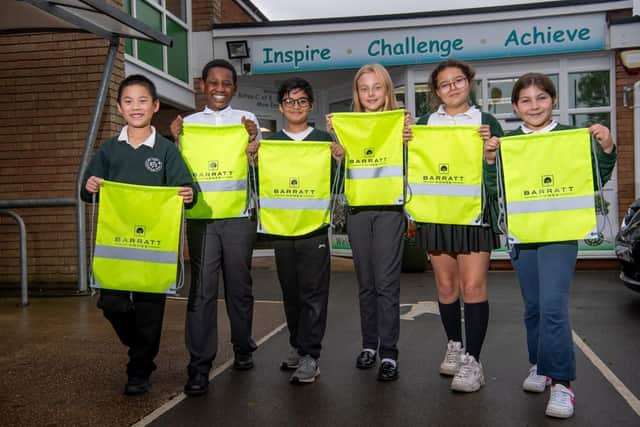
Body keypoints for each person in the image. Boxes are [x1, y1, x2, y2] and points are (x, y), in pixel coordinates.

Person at [484, 72, 616, 418]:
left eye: (541, 98)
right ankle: (539, 366)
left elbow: (595, 177)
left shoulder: (571, 138)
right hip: (524, 235)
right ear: (515, 107)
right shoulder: (509, 141)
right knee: (534, 307)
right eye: (525, 100)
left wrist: (606, 148)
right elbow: (495, 189)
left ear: (553, 101)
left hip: (559, 235)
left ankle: (561, 384)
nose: (534, 106)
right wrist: (488, 161)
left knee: (554, 306)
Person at [81, 74, 195, 396]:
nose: (136, 107)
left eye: (143, 100)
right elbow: (86, 190)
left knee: (149, 312)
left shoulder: (166, 151)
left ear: (155, 106)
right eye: (128, 101)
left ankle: (139, 370)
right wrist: (89, 187)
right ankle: (141, 346)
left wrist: (188, 194)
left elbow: (188, 187)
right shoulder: (109, 150)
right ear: (119, 108)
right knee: (112, 303)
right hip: (116, 246)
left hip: (153, 250)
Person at [170, 59, 260, 396]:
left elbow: (258, 169)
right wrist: (177, 140)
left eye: (226, 83)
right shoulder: (188, 125)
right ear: (202, 86)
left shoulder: (246, 122)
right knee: (202, 291)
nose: (219, 88)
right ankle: (199, 365)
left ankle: (242, 346)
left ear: (234, 88)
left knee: (239, 287)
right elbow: (178, 167)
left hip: (239, 218)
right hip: (202, 220)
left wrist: (254, 145)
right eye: (213, 82)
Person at [414, 59, 503, 393]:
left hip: (474, 215)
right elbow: (411, 166)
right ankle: (454, 344)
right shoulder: (424, 124)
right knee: (446, 287)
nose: (452, 87)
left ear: (469, 82)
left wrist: (491, 150)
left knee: (473, 287)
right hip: (437, 212)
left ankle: (473, 361)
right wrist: (406, 141)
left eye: (458, 80)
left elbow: (503, 173)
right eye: (444, 83)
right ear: (436, 92)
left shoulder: (487, 121)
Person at [327, 64, 410, 382]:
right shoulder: (348, 127)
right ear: (357, 93)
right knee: (366, 284)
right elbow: (339, 175)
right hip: (358, 211)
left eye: (378, 87)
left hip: (390, 211)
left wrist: (409, 140)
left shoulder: (401, 124)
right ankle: (369, 346)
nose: (371, 94)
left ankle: (389, 353)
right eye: (365, 88)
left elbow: (414, 164)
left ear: (388, 90)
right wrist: (338, 153)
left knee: (387, 284)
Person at [259, 77, 344, 383]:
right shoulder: (270, 145)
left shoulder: (324, 141)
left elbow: (342, 183)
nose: (296, 107)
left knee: (313, 295)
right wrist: (252, 157)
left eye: (302, 101)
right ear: (281, 107)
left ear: (311, 105)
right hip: (282, 230)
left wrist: (340, 160)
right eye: (290, 101)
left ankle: (311, 355)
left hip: (314, 230)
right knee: (291, 293)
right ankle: (297, 345)